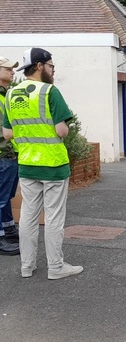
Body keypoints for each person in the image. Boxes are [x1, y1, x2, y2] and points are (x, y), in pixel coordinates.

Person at [3, 47, 83, 279]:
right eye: (50, 66)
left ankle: (26, 267)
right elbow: (61, 130)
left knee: (28, 216)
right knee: (54, 217)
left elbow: (7, 134)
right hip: (53, 165)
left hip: (27, 164)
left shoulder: (11, 93)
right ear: (39, 66)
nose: (52, 71)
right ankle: (56, 267)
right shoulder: (49, 91)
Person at [0, 56, 20, 256]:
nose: (13, 72)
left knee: (6, 197)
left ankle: (8, 229)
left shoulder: (5, 95)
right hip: (2, 154)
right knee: (1, 198)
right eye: (8, 69)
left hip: (9, 154)